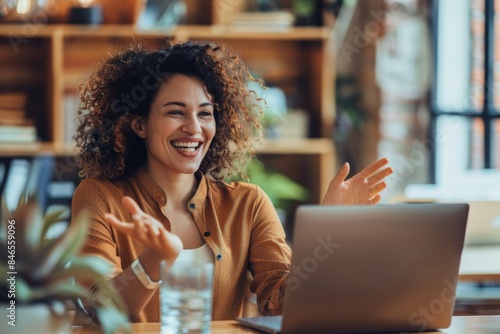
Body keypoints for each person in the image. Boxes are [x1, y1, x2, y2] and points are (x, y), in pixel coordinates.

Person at [71, 40, 393, 323]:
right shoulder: (101, 196)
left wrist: (329, 229)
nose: (194, 128)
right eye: (175, 112)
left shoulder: (248, 205)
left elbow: (281, 305)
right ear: (139, 124)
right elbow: (100, 309)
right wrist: (155, 257)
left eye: (205, 113)